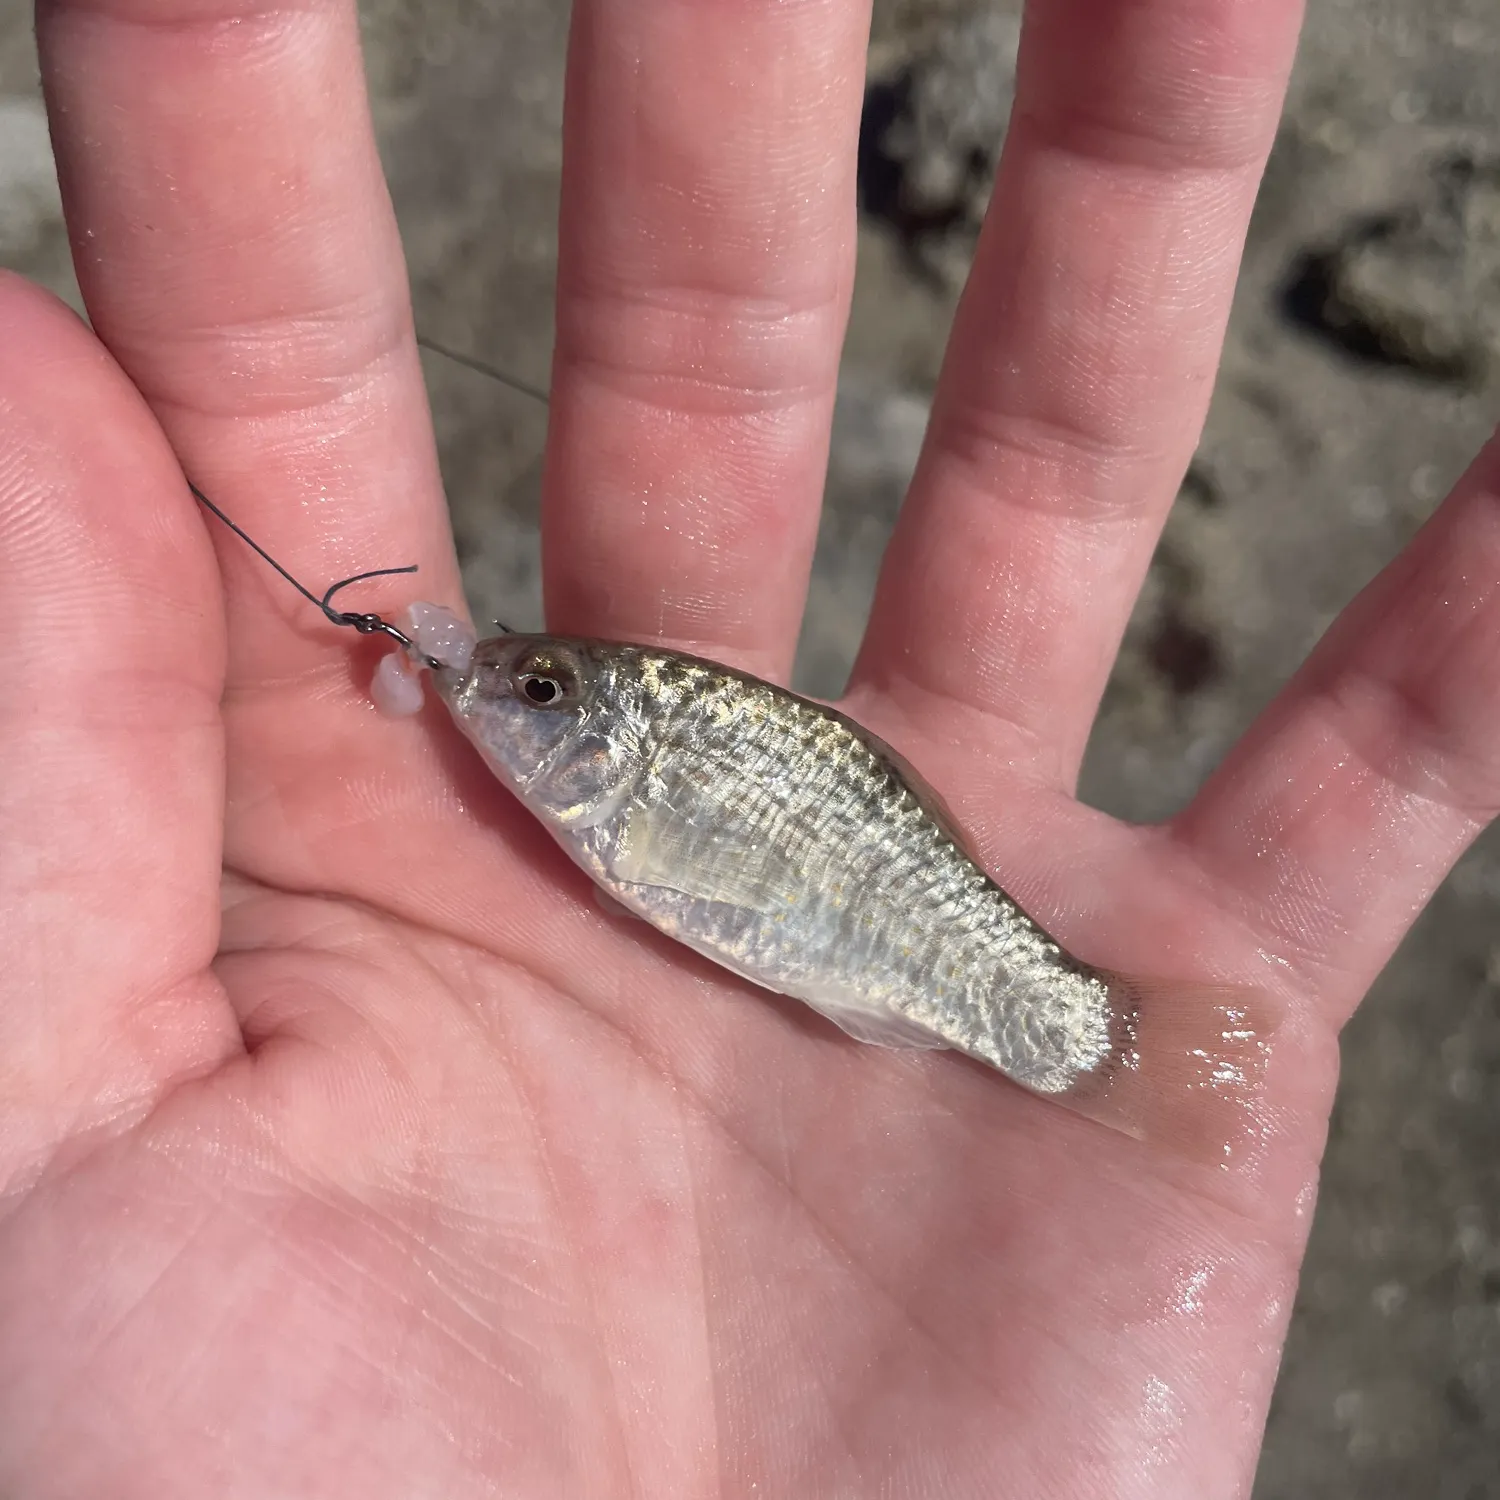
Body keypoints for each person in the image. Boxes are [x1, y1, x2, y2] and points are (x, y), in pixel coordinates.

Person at [0, 0, 1494, 1492]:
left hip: (942, 962)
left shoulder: (610, 791)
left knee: (1016, 1004)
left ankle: (1086, 1041)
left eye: (540, 700)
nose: (497, 697)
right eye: (531, 693)